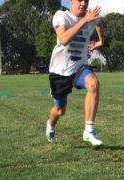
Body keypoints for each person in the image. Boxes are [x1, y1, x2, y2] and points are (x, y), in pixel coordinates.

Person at [46, 0, 104, 147]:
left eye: (86, 0)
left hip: (80, 67)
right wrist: (85, 20)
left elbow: (98, 23)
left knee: (93, 83)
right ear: (71, 1)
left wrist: (101, 41)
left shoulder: (92, 17)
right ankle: (51, 124)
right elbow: (64, 39)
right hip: (59, 70)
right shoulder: (61, 16)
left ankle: (88, 130)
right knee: (60, 110)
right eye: (79, 0)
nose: (83, 3)